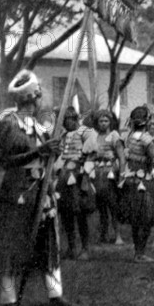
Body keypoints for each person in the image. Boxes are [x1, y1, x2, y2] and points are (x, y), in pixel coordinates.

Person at [0, 70, 78, 306]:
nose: (41, 100)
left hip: (42, 190)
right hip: (16, 191)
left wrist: (53, 151)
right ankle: (9, 300)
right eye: (39, 96)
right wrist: (38, 152)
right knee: (10, 243)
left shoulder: (40, 127)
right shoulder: (8, 125)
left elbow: (48, 156)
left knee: (49, 240)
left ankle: (55, 295)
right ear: (32, 98)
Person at [117, 106, 154, 263]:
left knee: (136, 218)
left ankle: (138, 252)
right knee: (146, 218)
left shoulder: (128, 137)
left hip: (131, 179)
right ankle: (140, 253)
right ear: (147, 121)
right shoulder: (146, 139)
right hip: (144, 180)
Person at [55, 107, 95, 260]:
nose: (65, 124)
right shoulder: (64, 135)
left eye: (65, 120)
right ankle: (72, 247)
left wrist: (85, 171)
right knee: (66, 212)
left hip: (79, 176)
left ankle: (85, 248)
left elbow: (92, 154)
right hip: (64, 176)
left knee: (81, 213)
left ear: (72, 118)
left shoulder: (86, 132)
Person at [83, 110, 125, 245]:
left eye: (106, 121)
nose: (103, 123)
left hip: (110, 173)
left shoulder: (114, 136)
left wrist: (122, 176)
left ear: (110, 122)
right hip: (97, 173)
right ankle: (104, 235)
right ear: (97, 123)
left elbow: (121, 157)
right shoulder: (94, 137)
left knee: (113, 205)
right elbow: (89, 155)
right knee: (101, 206)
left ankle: (118, 235)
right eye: (101, 121)